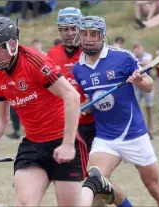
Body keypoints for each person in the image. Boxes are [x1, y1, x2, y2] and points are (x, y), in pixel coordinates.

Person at [0, 17, 114, 206]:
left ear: (12, 45)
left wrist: (68, 144)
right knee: (24, 204)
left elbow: (71, 96)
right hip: (32, 145)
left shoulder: (34, 62)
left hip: (61, 141)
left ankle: (93, 183)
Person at [73, 16, 159, 207]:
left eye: (93, 34)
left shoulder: (122, 57)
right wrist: (80, 108)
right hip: (106, 137)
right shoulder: (79, 69)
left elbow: (149, 86)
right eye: (84, 34)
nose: (88, 38)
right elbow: (93, 97)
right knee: (95, 181)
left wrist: (139, 81)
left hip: (134, 134)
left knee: (154, 187)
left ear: (102, 36)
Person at [47, 7, 96, 153]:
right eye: (64, 29)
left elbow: (100, 87)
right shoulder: (52, 53)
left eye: (73, 28)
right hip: (62, 124)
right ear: (59, 31)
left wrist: (88, 104)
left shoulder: (92, 53)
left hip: (90, 125)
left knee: (93, 170)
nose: (69, 33)